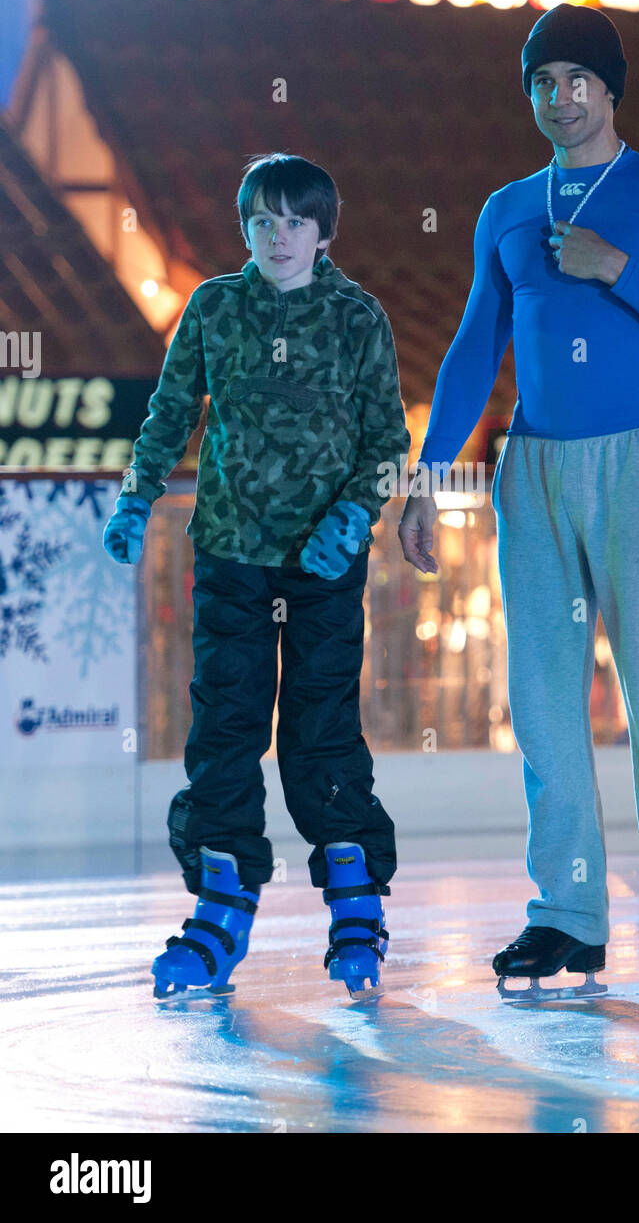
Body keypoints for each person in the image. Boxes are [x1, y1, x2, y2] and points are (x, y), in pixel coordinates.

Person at [399, 4, 639, 1005]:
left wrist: (619, 269)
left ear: (608, 88)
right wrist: (427, 470)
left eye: (573, 80)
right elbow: (473, 346)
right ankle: (565, 914)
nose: (556, 97)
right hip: (531, 469)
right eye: (539, 81)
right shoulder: (505, 207)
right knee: (545, 705)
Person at [103, 153, 411, 999]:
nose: (278, 238)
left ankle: (354, 898)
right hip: (233, 555)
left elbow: (387, 442)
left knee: (320, 729)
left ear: (323, 230)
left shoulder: (355, 317)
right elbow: (169, 414)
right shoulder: (214, 307)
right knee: (226, 730)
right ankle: (221, 902)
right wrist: (136, 499)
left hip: (323, 567)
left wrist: (350, 521)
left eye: (295, 222)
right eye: (262, 222)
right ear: (245, 228)